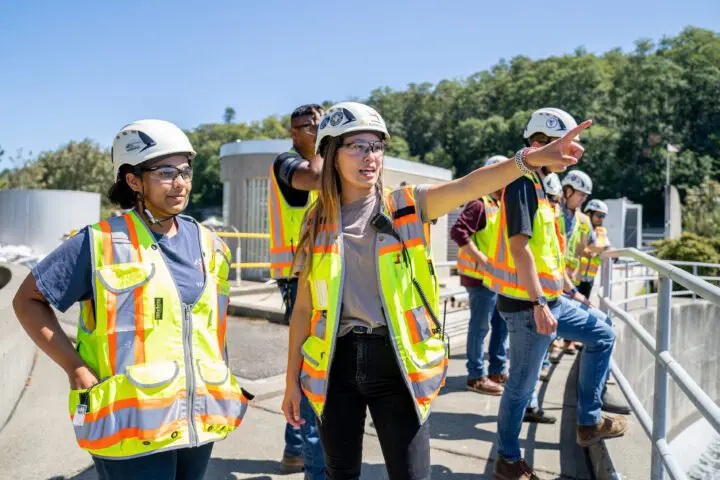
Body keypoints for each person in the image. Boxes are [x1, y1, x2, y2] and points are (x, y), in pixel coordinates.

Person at [281, 101, 586, 480]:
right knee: (339, 473)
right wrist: (291, 381)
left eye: (376, 145)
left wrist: (529, 159)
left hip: (396, 364)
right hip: (335, 365)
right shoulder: (317, 220)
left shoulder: (407, 204)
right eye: (357, 146)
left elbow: (471, 184)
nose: (370, 156)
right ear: (330, 152)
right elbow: (302, 310)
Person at [12, 120, 249, 480]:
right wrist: (75, 368)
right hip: (129, 426)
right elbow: (26, 300)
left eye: (185, 170)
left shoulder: (210, 243)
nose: (180, 182)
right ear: (133, 180)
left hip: (200, 421)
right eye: (166, 172)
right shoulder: (97, 243)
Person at [485, 108, 626, 480]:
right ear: (537, 144)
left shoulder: (540, 187)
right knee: (520, 386)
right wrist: (538, 303)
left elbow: (547, 253)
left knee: (603, 332)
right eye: (563, 145)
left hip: (549, 299)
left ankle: (588, 421)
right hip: (528, 305)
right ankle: (509, 460)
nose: (571, 153)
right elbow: (520, 249)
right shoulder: (520, 182)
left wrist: (567, 292)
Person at [267, 104, 326, 477]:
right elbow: (314, 178)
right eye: (312, 126)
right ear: (295, 131)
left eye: (323, 123)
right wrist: (327, 146)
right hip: (295, 276)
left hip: (317, 272)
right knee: (308, 363)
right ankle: (304, 449)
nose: (319, 130)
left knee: (313, 362)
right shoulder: (287, 163)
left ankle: (295, 447)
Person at [452, 155, 508, 396]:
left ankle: (496, 370)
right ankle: (476, 376)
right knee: (480, 327)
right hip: (480, 278)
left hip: (495, 279)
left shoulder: (499, 204)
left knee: (500, 324)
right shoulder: (479, 203)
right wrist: (483, 261)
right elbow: (458, 232)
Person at [557, 170, 603, 355]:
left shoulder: (583, 219)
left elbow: (591, 245)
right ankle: (547, 356)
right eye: (581, 194)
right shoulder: (552, 211)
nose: (583, 199)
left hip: (570, 279)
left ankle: (560, 344)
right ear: (568, 191)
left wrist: (606, 250)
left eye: (586, 196)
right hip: (552, 277)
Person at [576, 199, 611, 298]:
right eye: (598, 215)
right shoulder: (580, 228)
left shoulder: (602, 231)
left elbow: (606, 246)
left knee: (584, 306)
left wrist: (610, 252)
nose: (601, 219)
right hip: (576, 276)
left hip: (590, 278)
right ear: (588, 214)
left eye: (603, 216)